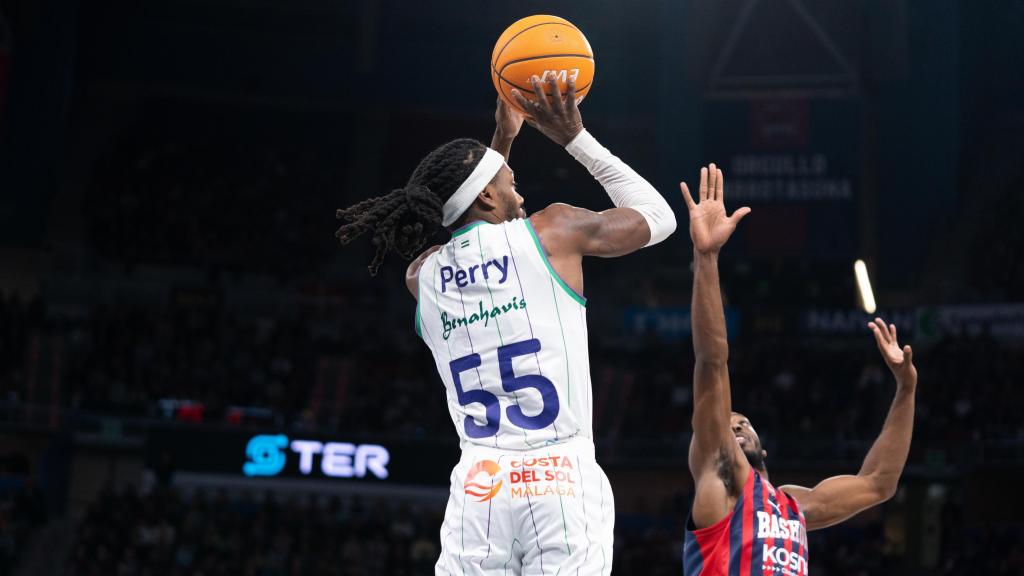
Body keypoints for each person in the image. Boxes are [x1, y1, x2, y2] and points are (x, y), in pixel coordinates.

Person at [335, 75, 676, 574]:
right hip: (559, 476)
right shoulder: (555, 230)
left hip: (481, 486)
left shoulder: (422, 275)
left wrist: (502, 143)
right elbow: (659, 216)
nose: (520, 193)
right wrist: (573, 138)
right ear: (489, 198)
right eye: (510, 184)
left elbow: (476, 222)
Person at [680, 164, 918, 575]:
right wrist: (706, 257)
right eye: (729, 421)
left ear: (764, 447)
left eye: (744, 423)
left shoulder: (794, 504)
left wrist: (906, 390)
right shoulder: (719, 476)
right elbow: (713, 362)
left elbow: (879, 482)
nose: (735, 427)